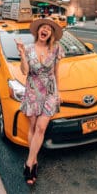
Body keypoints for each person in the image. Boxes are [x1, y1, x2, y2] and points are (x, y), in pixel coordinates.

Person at [15, 18, 64, 185]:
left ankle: (29, 163)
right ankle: (34, 161)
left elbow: (56, 72)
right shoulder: (28, 49)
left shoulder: (56, 49)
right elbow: (25, 71)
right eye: (43, 28)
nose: (45, 30)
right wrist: (21, 53)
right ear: (38, 31)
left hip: (49, 91)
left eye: (48, 29)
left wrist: (58, 92)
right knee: (33, 127)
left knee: (41, 127)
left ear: (51, 34)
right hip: (33, 90)